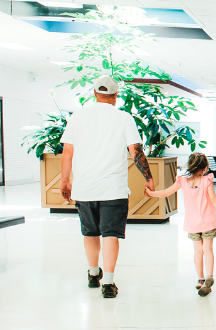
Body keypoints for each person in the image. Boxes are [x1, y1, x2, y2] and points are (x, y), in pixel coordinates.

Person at [60, 75, 154, 299]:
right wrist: (148, 177)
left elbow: (68, 152)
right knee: (110, 234)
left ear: (94, 94)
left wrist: (65, 181)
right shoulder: (123, 118)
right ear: (116, 96)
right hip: (114, 189)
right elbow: (135, 150)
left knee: (90, 232)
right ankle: (109, 283)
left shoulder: (77, 117)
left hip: (84, 188)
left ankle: (94, 274)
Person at [146, 153, 216, 297]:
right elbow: (214, 199)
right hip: (208, 222)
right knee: (208, 249)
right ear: (204, 168)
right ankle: (210, 276)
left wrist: (151, 193)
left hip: (192, 223)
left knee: (198, 251)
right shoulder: (206, 181)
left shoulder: (183, 181)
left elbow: (166, 193)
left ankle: (200, 279)